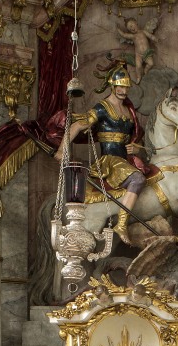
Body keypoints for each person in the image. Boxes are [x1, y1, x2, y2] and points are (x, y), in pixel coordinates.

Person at [55, 62, 148, 243]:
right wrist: (61, 151)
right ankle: (121, 224)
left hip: (127, 160)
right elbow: (77, 125)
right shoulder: (103, 107)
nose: (123, 90)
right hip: (110, 161)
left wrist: (137, 147)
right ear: (112, 86)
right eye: (120, 86)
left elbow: (136, 138)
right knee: (138, 179)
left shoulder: (129, 111)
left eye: (126, 86)